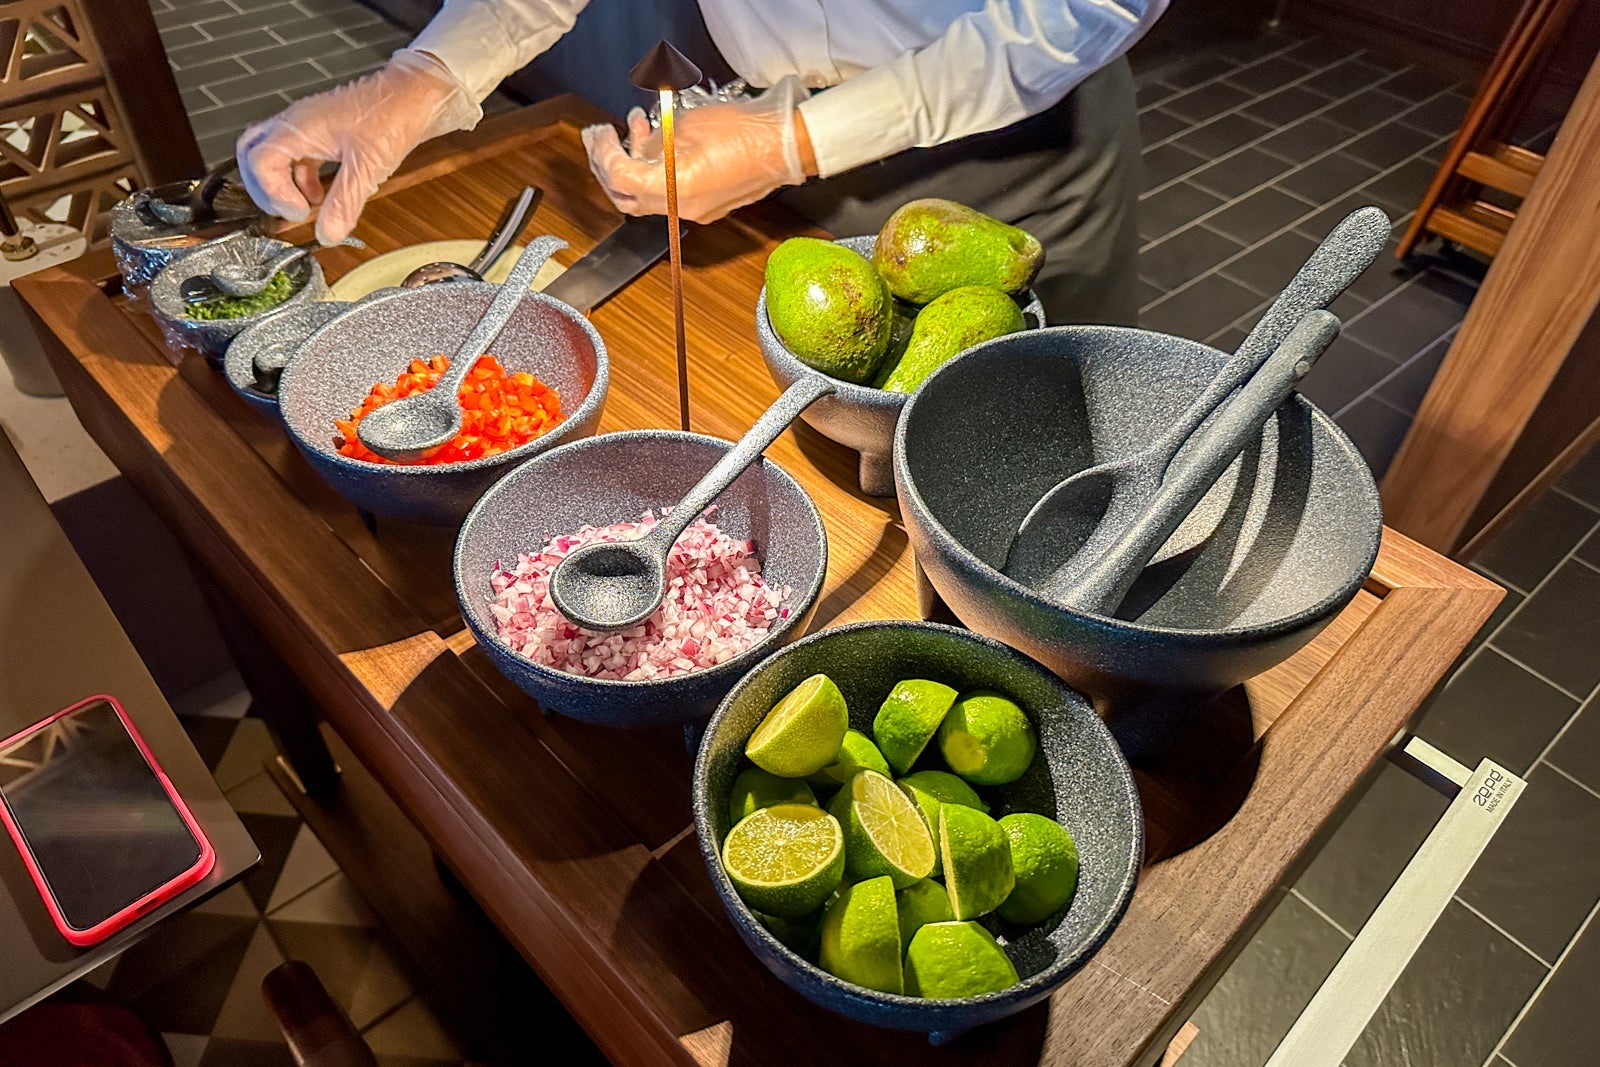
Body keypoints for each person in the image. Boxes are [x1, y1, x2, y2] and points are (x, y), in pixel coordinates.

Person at [237, 0, 1166, 325]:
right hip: (753, 106)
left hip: (1005, 149)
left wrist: (794, 143)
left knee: (1003, 458)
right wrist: (423, 76)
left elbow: (1079, 6)